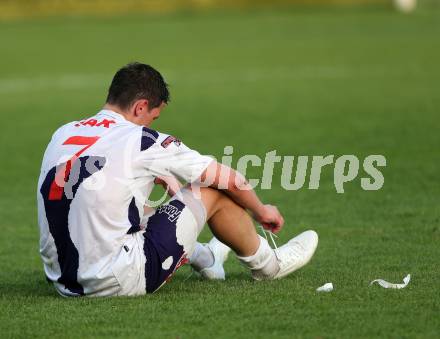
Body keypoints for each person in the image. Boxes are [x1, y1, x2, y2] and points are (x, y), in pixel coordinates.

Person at [37, 62, 318, 297]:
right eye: (152, 117)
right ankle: (269, 265)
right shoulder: (141, 140)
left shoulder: (63, 132)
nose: (151, 125)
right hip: (116, 280)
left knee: (134, 208)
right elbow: (230, 181)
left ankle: (206, 260)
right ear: (140, 107)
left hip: (64, 281)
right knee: (211, 188)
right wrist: (261, 210)